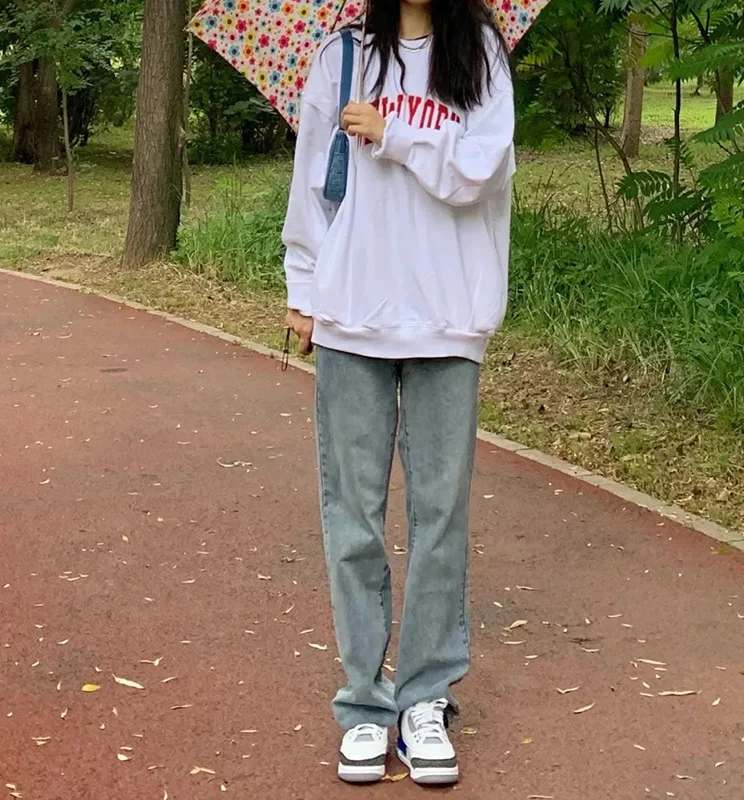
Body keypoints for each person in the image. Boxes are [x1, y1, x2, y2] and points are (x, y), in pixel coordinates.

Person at [282, 0, 515, 786]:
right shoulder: (341, 58)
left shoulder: (479, 54)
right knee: (352, 517)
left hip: (448, 317)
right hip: (352, 315)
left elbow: (483, 171)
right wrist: (303, 288)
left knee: (440, 515)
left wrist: (396, 133)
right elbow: (313, 187)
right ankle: (363, 702)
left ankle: (424, 698)